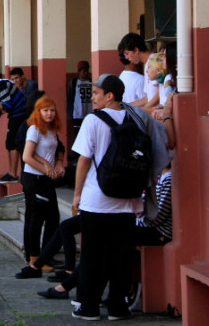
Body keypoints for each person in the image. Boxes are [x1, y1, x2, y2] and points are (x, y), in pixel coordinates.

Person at [71, 74, 171, 320]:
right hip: (129, 200)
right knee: (121, 256)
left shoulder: (92, 120)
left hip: (97, 199)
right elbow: (161, 145)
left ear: (109, 95)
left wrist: (77, 193)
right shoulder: (139, 118)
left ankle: (89, 307)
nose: (93, 98)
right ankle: (118, 307)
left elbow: (84, 160)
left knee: (92, 255)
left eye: (96, 93)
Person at [19, 95, 65, 268]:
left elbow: (58, 149)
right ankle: (34, 257)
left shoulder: (52, 129)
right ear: (38, 111)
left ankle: (46, 254)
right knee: (36, 218)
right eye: (45, 110)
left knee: (53, 218)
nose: (49, 114)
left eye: (52, 110)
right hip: (34, 178)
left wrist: (58, 164)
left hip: (47, 179)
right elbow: (27, 156)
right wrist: (47, 169)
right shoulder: (34, 129)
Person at [119, 33, 152, 107]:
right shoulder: (147, 64)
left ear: (136, 50)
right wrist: (124, 107)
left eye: (127, 53)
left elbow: (158, 94)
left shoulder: (154, 63)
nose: (126, 57)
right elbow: (147, 98)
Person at [67, 61, 93, 140]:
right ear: (79, 71)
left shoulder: (91, 81)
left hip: (89, 113)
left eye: (87, 71)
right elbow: (70, 98)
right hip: (77, 114)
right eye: (84, 71)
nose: (86, 73)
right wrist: (70, 114)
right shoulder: (74, 82)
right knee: (78, 136)